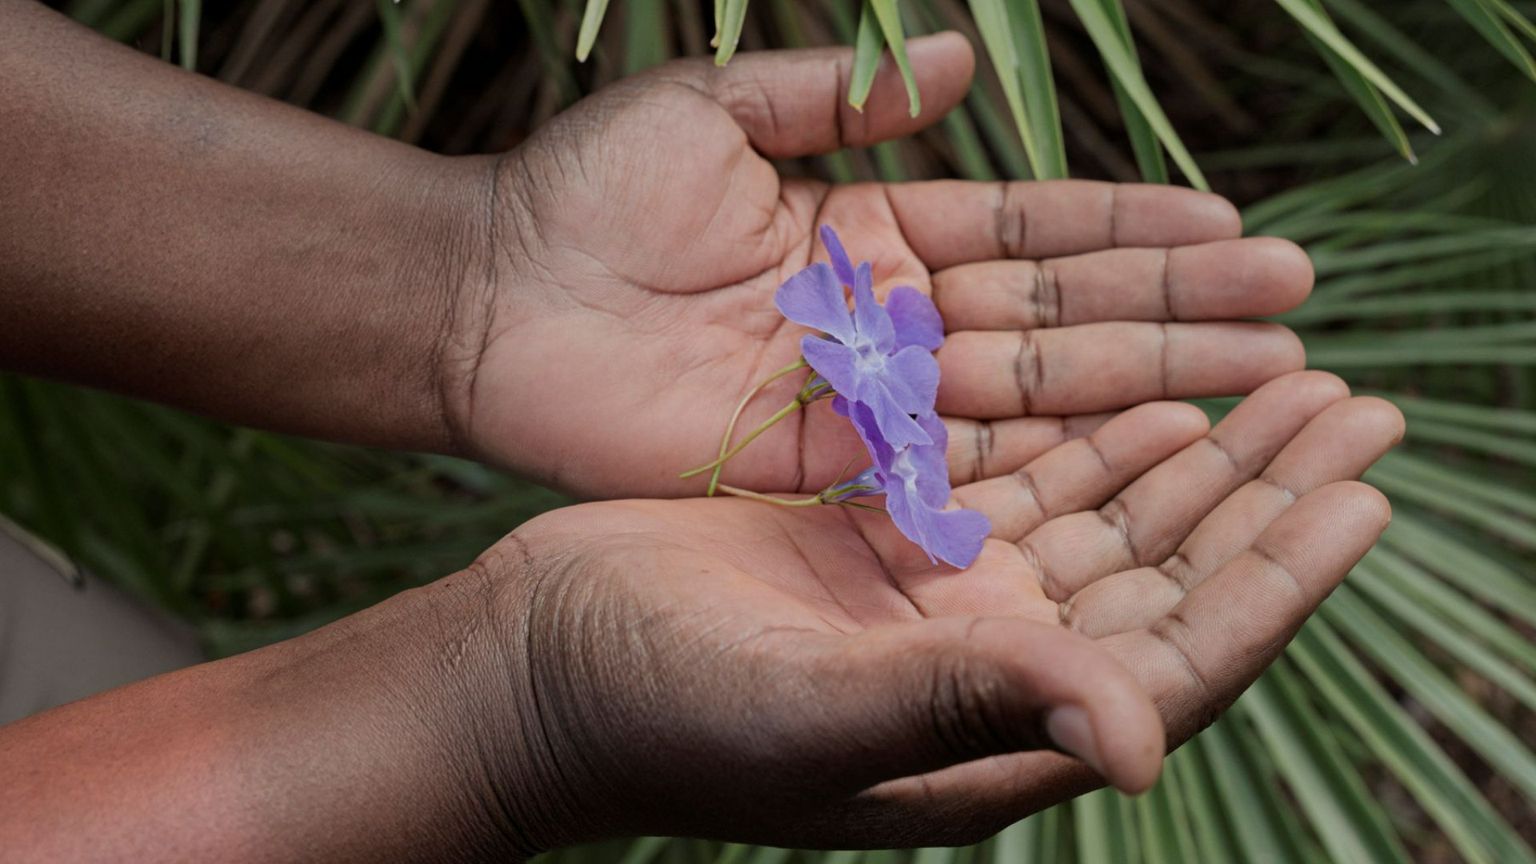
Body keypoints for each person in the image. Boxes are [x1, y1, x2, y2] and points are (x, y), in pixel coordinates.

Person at [0, 1, 1404, 859]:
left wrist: (476, 271)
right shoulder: (866, 394)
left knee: (102, 659)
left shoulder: (874, 401)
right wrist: (516, 716)